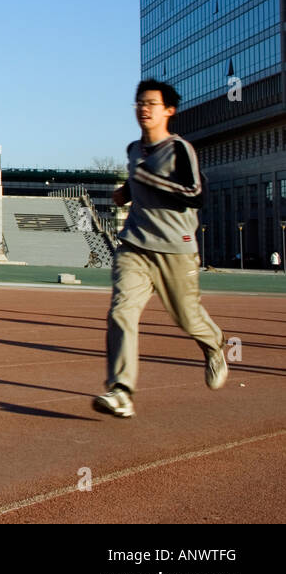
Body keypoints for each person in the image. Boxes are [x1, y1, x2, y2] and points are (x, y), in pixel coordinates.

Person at [94, 80, 227, 419]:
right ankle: (121, 390)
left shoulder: (180, 149)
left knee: (187, 318)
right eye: (139, 102)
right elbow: (138, 178)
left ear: (169, 110)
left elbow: (195, 193)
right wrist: (126, 191)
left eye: (152, 103)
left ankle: (213, 344)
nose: (144, 108)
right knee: (121, 312)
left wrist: (148, 181)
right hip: (135, 245)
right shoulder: (134, 149)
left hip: (176, 249)